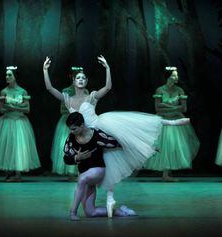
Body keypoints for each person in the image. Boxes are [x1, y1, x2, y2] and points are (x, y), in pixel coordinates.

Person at [42, 56, 189, 217]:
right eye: (78, 77)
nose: (81, 80)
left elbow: (107, 87)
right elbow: (50, 89)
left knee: (119, 145)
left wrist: (107, 68)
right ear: (74, 80)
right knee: (90, 194)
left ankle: (168, 125)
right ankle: (114, 208)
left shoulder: (91, 97)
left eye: (84, 78)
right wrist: (45, 70)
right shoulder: (68, 100)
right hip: (83, 139)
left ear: (86, 81)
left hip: (97, 130)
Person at [64, 112, 136, 221]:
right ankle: (121, 212)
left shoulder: (96, 135)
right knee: (90, 212)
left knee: (82, 179)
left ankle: (73, 212)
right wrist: (77, 158)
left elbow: (117, 143)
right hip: (85, 175)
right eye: (70, 129)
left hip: (97, 170)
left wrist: (141, 148)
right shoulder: (72, 138)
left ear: (82, 125)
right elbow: (66, 159)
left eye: (74, 129)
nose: (72, 131)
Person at [144, 67, 200, 181]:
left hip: (176, 121)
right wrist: (174, 108)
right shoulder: (160, 90)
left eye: (177, 75)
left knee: (173, 146)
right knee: (164, 145)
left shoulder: (179, 90)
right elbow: (158, 108)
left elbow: (184, 108)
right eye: (174, 75)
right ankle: (165, 174)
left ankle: (167, 173)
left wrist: (167, 107)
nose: (177, 77)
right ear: (168, 77)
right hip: (163, 121)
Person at [0, 66, 41, 181]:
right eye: (6, 75)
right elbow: (1, 110)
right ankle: (8, 171)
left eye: (10, 75)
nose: (7, 77)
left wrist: (13, 107)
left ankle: (18, 174)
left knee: (18, 146)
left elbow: (27, 109)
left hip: (20, 121)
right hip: (7, 121)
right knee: (7, 145)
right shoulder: (4, 91)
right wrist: (15, 107)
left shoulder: (22, 91)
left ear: (15, 76)